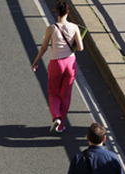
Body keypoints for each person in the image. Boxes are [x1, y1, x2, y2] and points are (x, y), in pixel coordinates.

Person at [31, 1, 84, 134]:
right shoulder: (75, 27)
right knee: (65, 95)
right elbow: (81, 48)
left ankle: (56, 117)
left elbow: (44, 47)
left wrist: (36, 61)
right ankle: (61, 126)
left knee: (53, 92)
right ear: (67, 12)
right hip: (70, 63)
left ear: (56, 12)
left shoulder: (51, 28)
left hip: (56, 63)